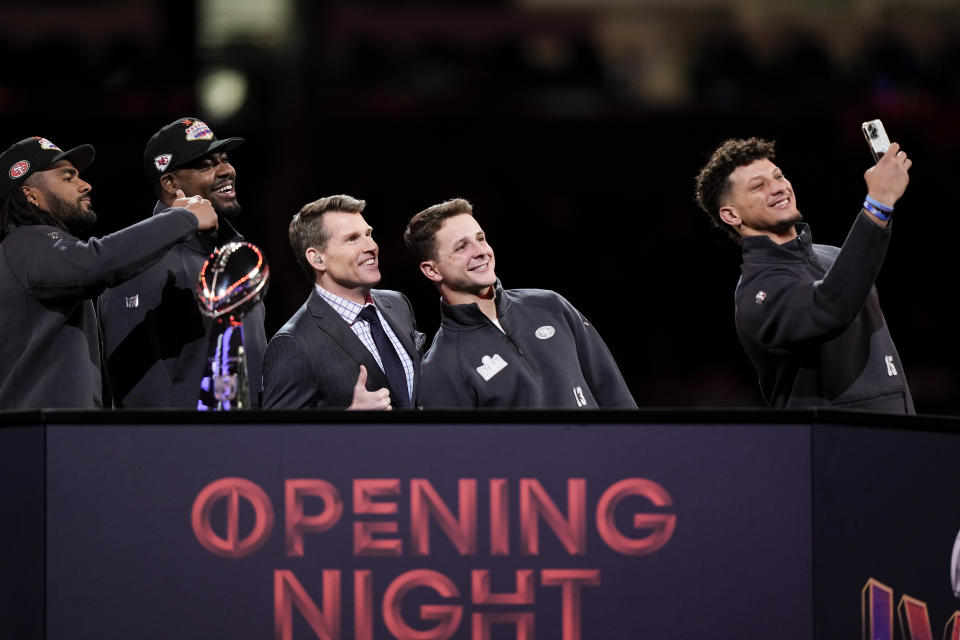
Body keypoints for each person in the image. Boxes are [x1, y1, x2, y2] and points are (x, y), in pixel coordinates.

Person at [694, 137, 915, 413]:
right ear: (731, 215)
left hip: (899, 432)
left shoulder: (834, 257)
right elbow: (828, 308)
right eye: (758, 186)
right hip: (832, 447)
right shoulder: (757, 292)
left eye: (778, 176)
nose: (778, 188)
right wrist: (878, 204)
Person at [0, 135, 218, 410]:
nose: (85, 184)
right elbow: (98, 262)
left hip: (45, 438)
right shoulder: (27, 245)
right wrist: (183, 218)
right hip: (36, 442)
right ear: (30, 194)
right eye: (68, 178)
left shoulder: (30, 251)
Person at [403, 198, 636, 409]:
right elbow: (463, 452)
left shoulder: (551, 306)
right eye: (462, 247)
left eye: (480, 239)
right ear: (432, 270)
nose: (481, 252)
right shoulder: (441, 367)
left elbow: (613, 393)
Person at [98, 117, 267, 408]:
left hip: (249, 442)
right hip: (187, 448)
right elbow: (139, 393)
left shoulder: (237, 254)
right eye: (206, 164)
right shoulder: (142, 259)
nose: (226, 170)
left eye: (224, 159)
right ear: (170, 182)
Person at [261, 194, 422, 410]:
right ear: (317, 258)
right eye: (352, 238)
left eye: (368, 234)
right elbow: (276, 439)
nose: (371, 246)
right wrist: (349, 419)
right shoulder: (292, 344)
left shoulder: (398, 304)